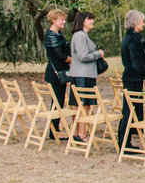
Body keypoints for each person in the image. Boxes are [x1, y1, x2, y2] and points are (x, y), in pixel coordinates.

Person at [118, 10, 145, 150]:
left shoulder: (132, 37)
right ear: (135, 23)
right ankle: (124, 142)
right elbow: (136, 62)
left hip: (133, 78)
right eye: (142, 21)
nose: (144, 24)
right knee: (129, 111)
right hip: (133, 78)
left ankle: (126, 141)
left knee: (131, 110)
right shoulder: (132, 39)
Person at [68, 12, 105, 142]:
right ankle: (81, 134)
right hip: (81, 75)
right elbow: (83, 56)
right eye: (90, 19)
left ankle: (78, 132)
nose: (92, 22)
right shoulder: (79, 36)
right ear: (83, 20)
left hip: (85, 74)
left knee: (83, 105)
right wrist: (98, 54)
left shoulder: (84, 36)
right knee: (82, 105)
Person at [42, 9, 71, 137]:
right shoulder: (51, 35)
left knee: (59, 101)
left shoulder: (58, 34)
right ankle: (53, 132)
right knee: (57, 102)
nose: (64, 22)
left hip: (61, 72)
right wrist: (74, 60)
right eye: (61, 19)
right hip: (55, 74)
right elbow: (61, 55)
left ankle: (55, 130)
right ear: (54, 20)